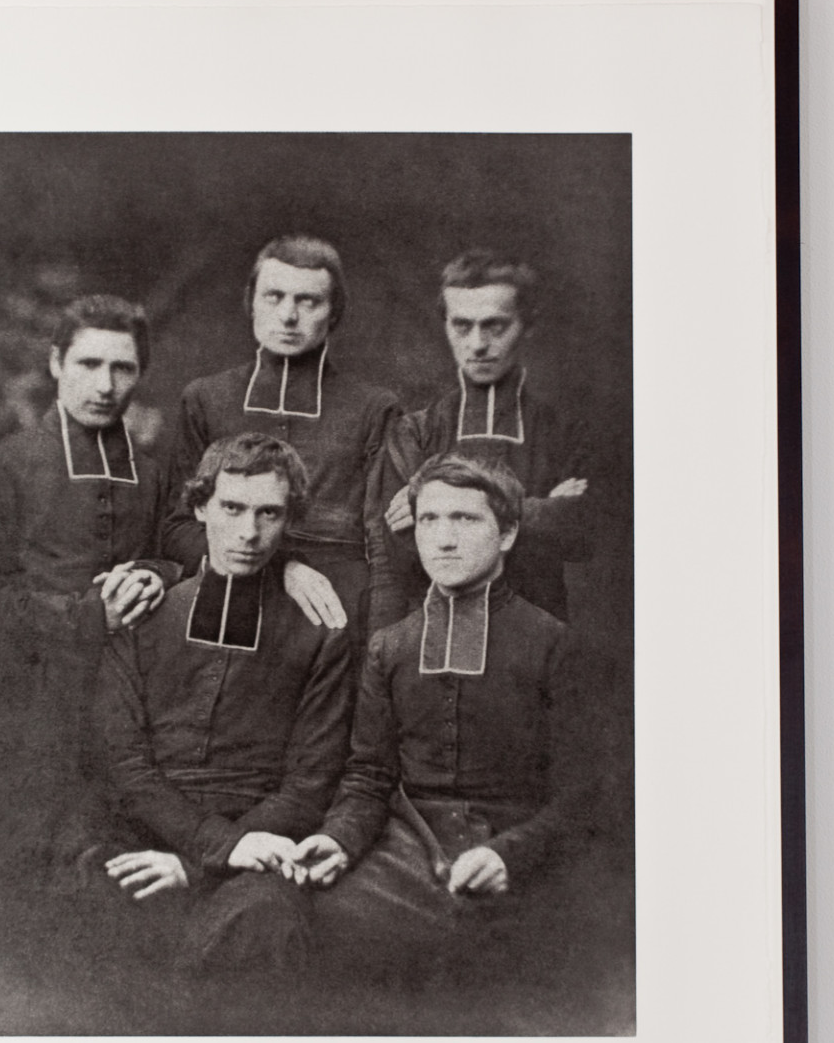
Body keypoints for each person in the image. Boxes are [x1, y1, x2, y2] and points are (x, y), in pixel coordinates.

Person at [293, 454, 585, 983]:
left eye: (465, 520)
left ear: (508, 534)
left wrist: (511, 857)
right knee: (330, 924)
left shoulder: (554, 644)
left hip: (517, 848)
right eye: (429, 520)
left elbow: (586, 794)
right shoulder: (390, 646)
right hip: (407, 848)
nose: (443, 540)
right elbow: (369, 776)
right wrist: (340, 838)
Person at [98, 433, 352, 972]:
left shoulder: (321, 632)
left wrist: (204, 862)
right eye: (232, 508)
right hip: (141, 829)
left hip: (257, 845)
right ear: (199, 507)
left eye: (269, 514)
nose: (249, 533)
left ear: (290, 520)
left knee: (266, 923)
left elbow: (310, 784)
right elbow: (122, 762)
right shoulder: (146, 612)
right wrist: (206, 844)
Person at [0, 293, 177, 861]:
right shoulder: (3, 466)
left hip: (136, 708)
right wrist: (87, 616)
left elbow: (181, 552)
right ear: (56, 363)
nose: (106, 385)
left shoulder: (151, 475)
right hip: (27, 709)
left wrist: (157, 571)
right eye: (89, 364)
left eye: (123, 368)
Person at [161, 234, 401, 642]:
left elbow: (385, 545)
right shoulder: (205, 398)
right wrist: (280, 567)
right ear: (250, 302)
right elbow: (176, 528)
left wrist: (378, 644)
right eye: (274, 296)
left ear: (335, 312)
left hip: (336, 607)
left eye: (309, 301)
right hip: (227, 592)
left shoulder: (374, 408)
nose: (289, 315)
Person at [373, 251, 590, 628]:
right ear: (445, 326)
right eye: (462, 325)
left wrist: (439, 509)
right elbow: (403, 556)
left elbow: (581, 536)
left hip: (538, 629)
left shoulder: (563, 431)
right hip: (435, 627)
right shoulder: (416, 430)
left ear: (527, 326)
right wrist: (538, 510)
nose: (476, 344)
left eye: (495, 326)